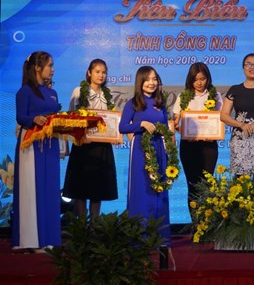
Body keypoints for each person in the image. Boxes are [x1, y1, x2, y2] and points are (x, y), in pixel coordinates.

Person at [13, 51, 61, 251]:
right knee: (32, 189)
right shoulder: (24, 92)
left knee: (50, 189)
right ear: (37, 68)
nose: (53, 69)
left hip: (50, 144)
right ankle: (30, 240)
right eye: (49, 65)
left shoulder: (52, 92)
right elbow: (21, 117)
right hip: (31, 144)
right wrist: (34, 119)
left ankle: (49, 238)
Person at [118, 66, 171, 245]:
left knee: (160, 190)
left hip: (159, 149)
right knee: (142, 190)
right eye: (147, 79)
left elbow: (166, 128)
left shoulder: (160, 103)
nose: (151, 83)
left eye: (154, 79)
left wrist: (169, 150)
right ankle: (139, 238)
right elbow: (122, 127)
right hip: (141, 150)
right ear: (140, 81)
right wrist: (141, 124)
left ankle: (161, 238)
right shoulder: (133, 103)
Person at [63, 59, 118, 219]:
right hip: (83, 145)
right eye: (97, 72)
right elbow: (71, 118)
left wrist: (114, 135)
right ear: (89, 73)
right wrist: (81, 135)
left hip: (102, 146)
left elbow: (111, 119)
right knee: (81, 188)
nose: (101, 75)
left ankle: (94, 224)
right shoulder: (79, 91)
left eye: (104, 72)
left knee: (97, 189)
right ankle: (81, 224)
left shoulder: (107, 95)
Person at [173, 62, 222, 220]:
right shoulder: (183, 97)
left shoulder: (215, 96)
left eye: (202, 79)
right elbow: (175, 122)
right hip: (189, 146)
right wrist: (181, 129)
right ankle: (196, 224)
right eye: (195, 79)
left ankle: (207, 223)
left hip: (209, 146)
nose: (199, 83)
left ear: (208, 78)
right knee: (192, 185)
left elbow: (221, 119)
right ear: (190, 80)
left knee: (207, 184)